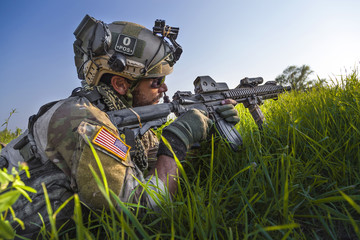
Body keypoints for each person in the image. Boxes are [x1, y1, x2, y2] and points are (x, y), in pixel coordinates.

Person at [0, 15, 239, 237]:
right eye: (157, 81)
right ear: (121, 85)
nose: (164, 89)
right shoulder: (83, 122)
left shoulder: (123, 120)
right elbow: (143, 213)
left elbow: (165, 166)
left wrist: (208, 127)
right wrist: (178, 137)